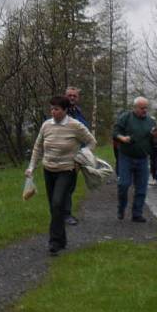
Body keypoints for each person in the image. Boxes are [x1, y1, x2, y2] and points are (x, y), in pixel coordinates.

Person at [25, 95, 97, 255]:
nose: (53, 112)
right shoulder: (46, 125)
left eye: (56, 109)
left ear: (65, 110)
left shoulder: (75, 126)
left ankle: (54, 242)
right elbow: (38, 147)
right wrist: (31, 167)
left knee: (58, 203)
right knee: (54, 206)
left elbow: (92, 142)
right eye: (51, 109)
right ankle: (62, 238)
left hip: (67, 170)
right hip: (48, 169)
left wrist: (81, 158)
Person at [113, 96, 157, 222]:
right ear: (135, 108)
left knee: (142, 187)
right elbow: (115, 132)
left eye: (146, 108)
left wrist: (156, 137)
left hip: (143, 158)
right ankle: (121, 208)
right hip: (126, 157)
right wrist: (123, 138)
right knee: (124, 184)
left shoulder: (151, 121)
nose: (145, 110)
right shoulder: (126, 118)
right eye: (142, 108)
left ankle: (137, 214)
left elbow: (156, 141)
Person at [63, 86, 90, 226]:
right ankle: (65, 214)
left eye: (74, 96)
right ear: (65, 96)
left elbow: (85, 131)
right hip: (64, 155)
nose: (72, 98)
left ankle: (62, 211)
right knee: (66, 185)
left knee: (71, 185)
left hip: (77, 155)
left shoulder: (78, 112)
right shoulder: (61, 112)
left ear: (77, 98)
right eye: (69, 95)